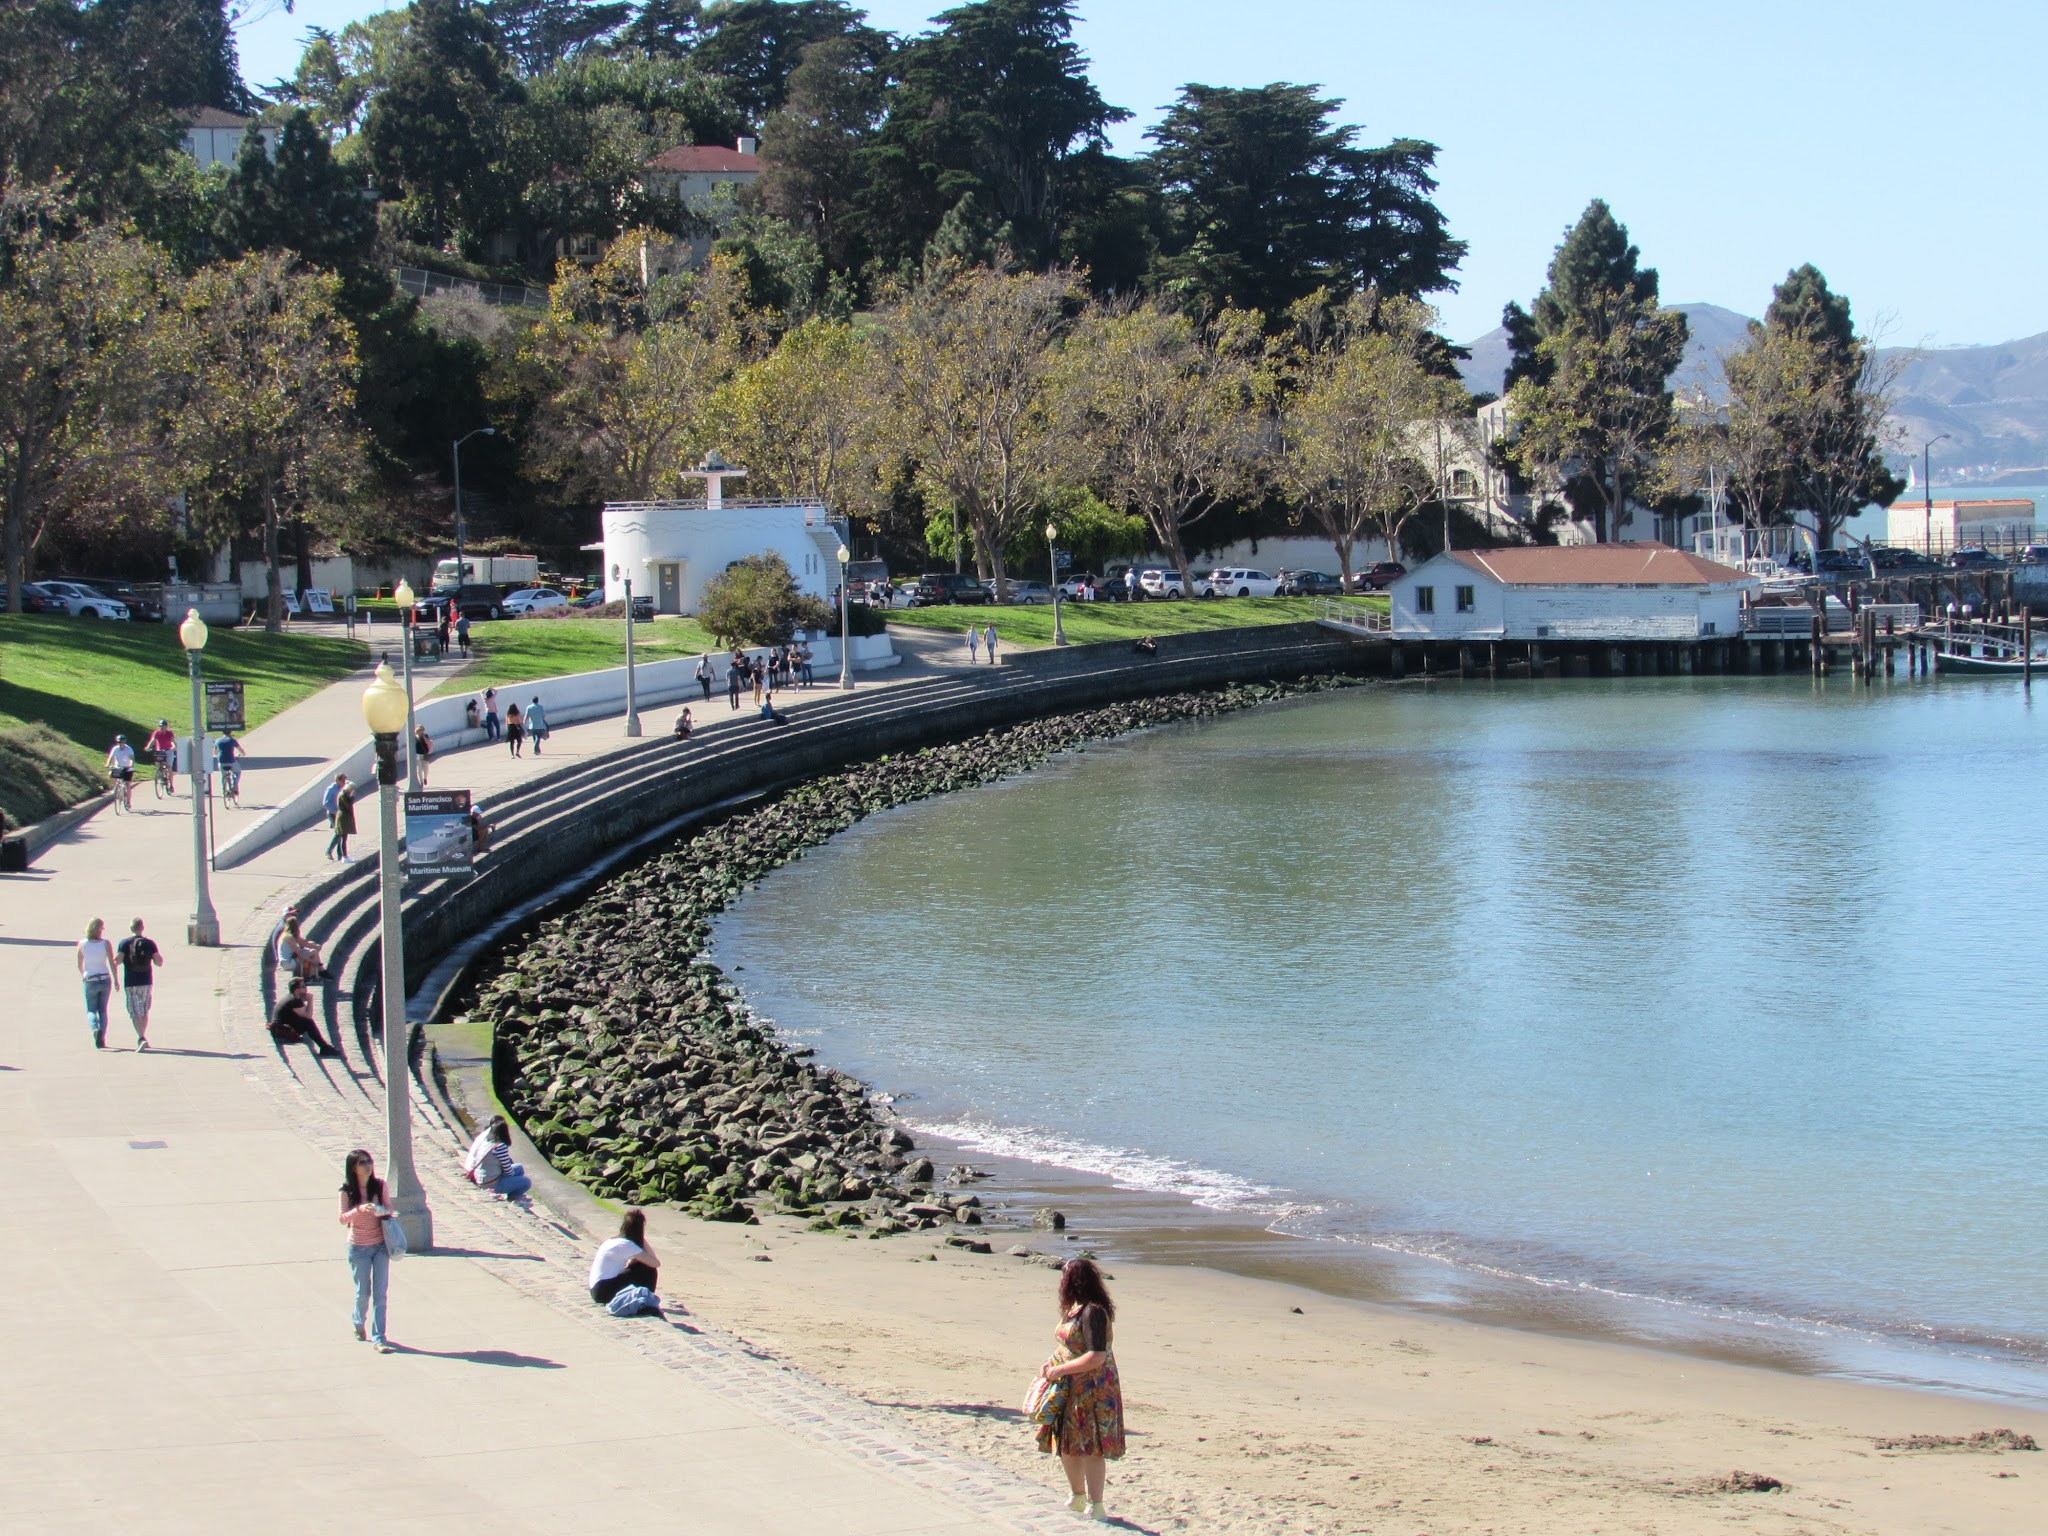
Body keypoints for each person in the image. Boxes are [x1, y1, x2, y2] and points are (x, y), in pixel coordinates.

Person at [1035, 1257, 1126, 1522]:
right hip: (1070, 1386)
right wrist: (1051, 1364)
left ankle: (1096, 1504)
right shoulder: (1075, 1309)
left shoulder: (1093, 1312)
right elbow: (1068, 1347)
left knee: (1092, 1446)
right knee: (1067, 1442)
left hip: (1094, 1389)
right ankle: (1077, 1495)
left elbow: (1097, 1356)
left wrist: (1061, 1370)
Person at [339, 1149, 395, 1351]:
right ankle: (358, 1322)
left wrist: (380, 1210)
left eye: (369, 1161)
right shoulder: (347, 1191)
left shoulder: (380, 1186)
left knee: (381, 1293)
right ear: (354, 1167)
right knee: (363, 1292)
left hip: (380, 1246)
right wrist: (358, 1210)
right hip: (358, 1248)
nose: (367, 1165)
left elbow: (389, 1209)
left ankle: (379, 1338)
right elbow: (342, 1218)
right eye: (362, 1163)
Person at [588, 1208, 661, 1311]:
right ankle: (646, 1300)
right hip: (603, 1291)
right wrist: (642, 1238)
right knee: (649, 1270)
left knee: (639, 1265)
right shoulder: (626, 1244)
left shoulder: (614, 1240)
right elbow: (655, 1263)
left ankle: (644, 1297)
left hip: (597, 1289)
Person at [116, 918, 162, 1049]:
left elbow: (118, 960)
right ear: (142, 928)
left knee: (134, 1011)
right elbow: (159, 962)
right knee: (144, 1010)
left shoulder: (124, 943)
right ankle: (143, 1036)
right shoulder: (150, 943)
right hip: (146, 981)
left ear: (131, 929)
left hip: (131, 982)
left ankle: (141, 1037)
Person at [462, 1116, 532, 1200]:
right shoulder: (500, 1146)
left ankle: (513, 1191)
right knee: (526, 1182)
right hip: (491, 1184)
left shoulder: (487, 1141)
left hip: (482, 1178)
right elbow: (508, 1171)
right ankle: (513, 1198)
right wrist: (512, 1178)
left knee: (519, 1168)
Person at [271, 977, 341, 1056]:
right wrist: (310, 1000)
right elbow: (308, 1016)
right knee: (308, 1023)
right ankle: (324, 1047)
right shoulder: (294, 1000)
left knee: (307, 1022)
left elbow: (305, 1014)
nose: (306, 988)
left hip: (282, 1028)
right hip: (281, 1031)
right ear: (297, 990)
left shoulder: (293, 998)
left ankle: (324, 1047)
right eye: (303, 987)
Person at [77, 917, 117, 1049]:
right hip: (104, 978)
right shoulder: (105, 943)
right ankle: (102, 1038)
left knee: (91, 1010)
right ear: (99, 929)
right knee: (103, 1010)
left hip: (90, 979)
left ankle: (95, 1029)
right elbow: (112, 962)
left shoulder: (82, 943)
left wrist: (84, 974)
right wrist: (116, 979)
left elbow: (79, 964)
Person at [277, 913, 325, 983]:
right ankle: (313, 976)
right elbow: (300, 954)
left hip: (289, 961)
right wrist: (313, 961)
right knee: (311, 955)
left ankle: (316, 974)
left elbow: (303, 943)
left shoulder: (288, 935)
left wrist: (315, 946)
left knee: (312, 952)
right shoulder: (289, 937)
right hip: (287, 963)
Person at [324, 773, 356, 862]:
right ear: (337, 780)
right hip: (333, 813)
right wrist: (335, 812)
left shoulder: (343, 788)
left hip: (340, 814)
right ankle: (329, 850)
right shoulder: (331, 789)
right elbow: (325, 803)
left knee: (341, 834)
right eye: (343, 780)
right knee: (339, 833)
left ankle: (340, 855)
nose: (344, 782)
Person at [144, 718, 177, 793]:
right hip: (160, 751)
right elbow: (152, 741)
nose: (161, 728)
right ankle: (160, 773)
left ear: (166, 727)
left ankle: (171, 785)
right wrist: (148, 747)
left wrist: (173, 747)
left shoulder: (169, 733)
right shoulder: (156, 733)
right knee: (158, 763)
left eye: (163, 726)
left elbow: (172, 741)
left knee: (169, 767)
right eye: (160, 726)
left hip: (168, 750)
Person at [105, 735, 136, 810]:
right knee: (111, 774)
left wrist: (131, 765)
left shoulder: (129, 749)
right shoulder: (115, 749)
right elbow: (111, 757)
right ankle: (115, 787)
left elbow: (132, 758)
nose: (120, 743)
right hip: (118, 767)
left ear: (124, 742)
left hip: (127, 768)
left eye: (122, 742)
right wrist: (108, 764)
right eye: (118, 742)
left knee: (128, 784)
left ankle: (128, 802)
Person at [214, 730, 243, 800]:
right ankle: (234, 786)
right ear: (230, 733)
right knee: (237, 772)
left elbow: (215, 753)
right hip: (231, 760)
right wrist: (241, 754)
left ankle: (223, 792)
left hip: (221, 761)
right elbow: (241, 750)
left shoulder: (217, 741)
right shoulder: (232, 740)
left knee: (223, 775)